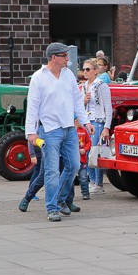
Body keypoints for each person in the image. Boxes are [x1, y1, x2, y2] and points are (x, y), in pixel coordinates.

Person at [25, 42, 95, 222]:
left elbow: (77, 101)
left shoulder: (68, 75)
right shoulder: (38, 77)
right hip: (49, 130)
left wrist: (86, 122)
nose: (68, 59)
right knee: (51, 171)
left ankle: (60, 199)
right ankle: (52, 208)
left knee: (74, 166)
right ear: (54, 57)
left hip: (69, 128)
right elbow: (32, 107)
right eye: (64, 56)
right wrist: (31, 132)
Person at [81, 58, 113, 194]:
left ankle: (98, 183)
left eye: (88, 69)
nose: (85, 72)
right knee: (86, 152)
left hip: (97, 121)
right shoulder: (83, 86)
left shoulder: (101, 85)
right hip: (86, 122)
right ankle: (92, 181)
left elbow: (108, 107)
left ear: (95, 71)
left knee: (95, 152)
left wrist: (106, 127)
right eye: (83, 69)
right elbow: (79, 106)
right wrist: (84, 101)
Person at [63, 119, 92, 206]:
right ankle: (70, 196)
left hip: (83, 159)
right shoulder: (71, 132)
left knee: (83, 177)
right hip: (73, 159)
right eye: (80, 121)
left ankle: (85, 193)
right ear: (75, 121)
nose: (82, 123)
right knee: (71, 178)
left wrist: (85, 149)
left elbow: (89, 142)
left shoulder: (84, 131)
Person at [18, 139, 45, 212]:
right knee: (38, 173)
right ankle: (30, 193)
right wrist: (32, 155)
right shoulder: (37, 130)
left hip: (42, 153)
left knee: (38, 173)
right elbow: (30, 140)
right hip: (39, 154)